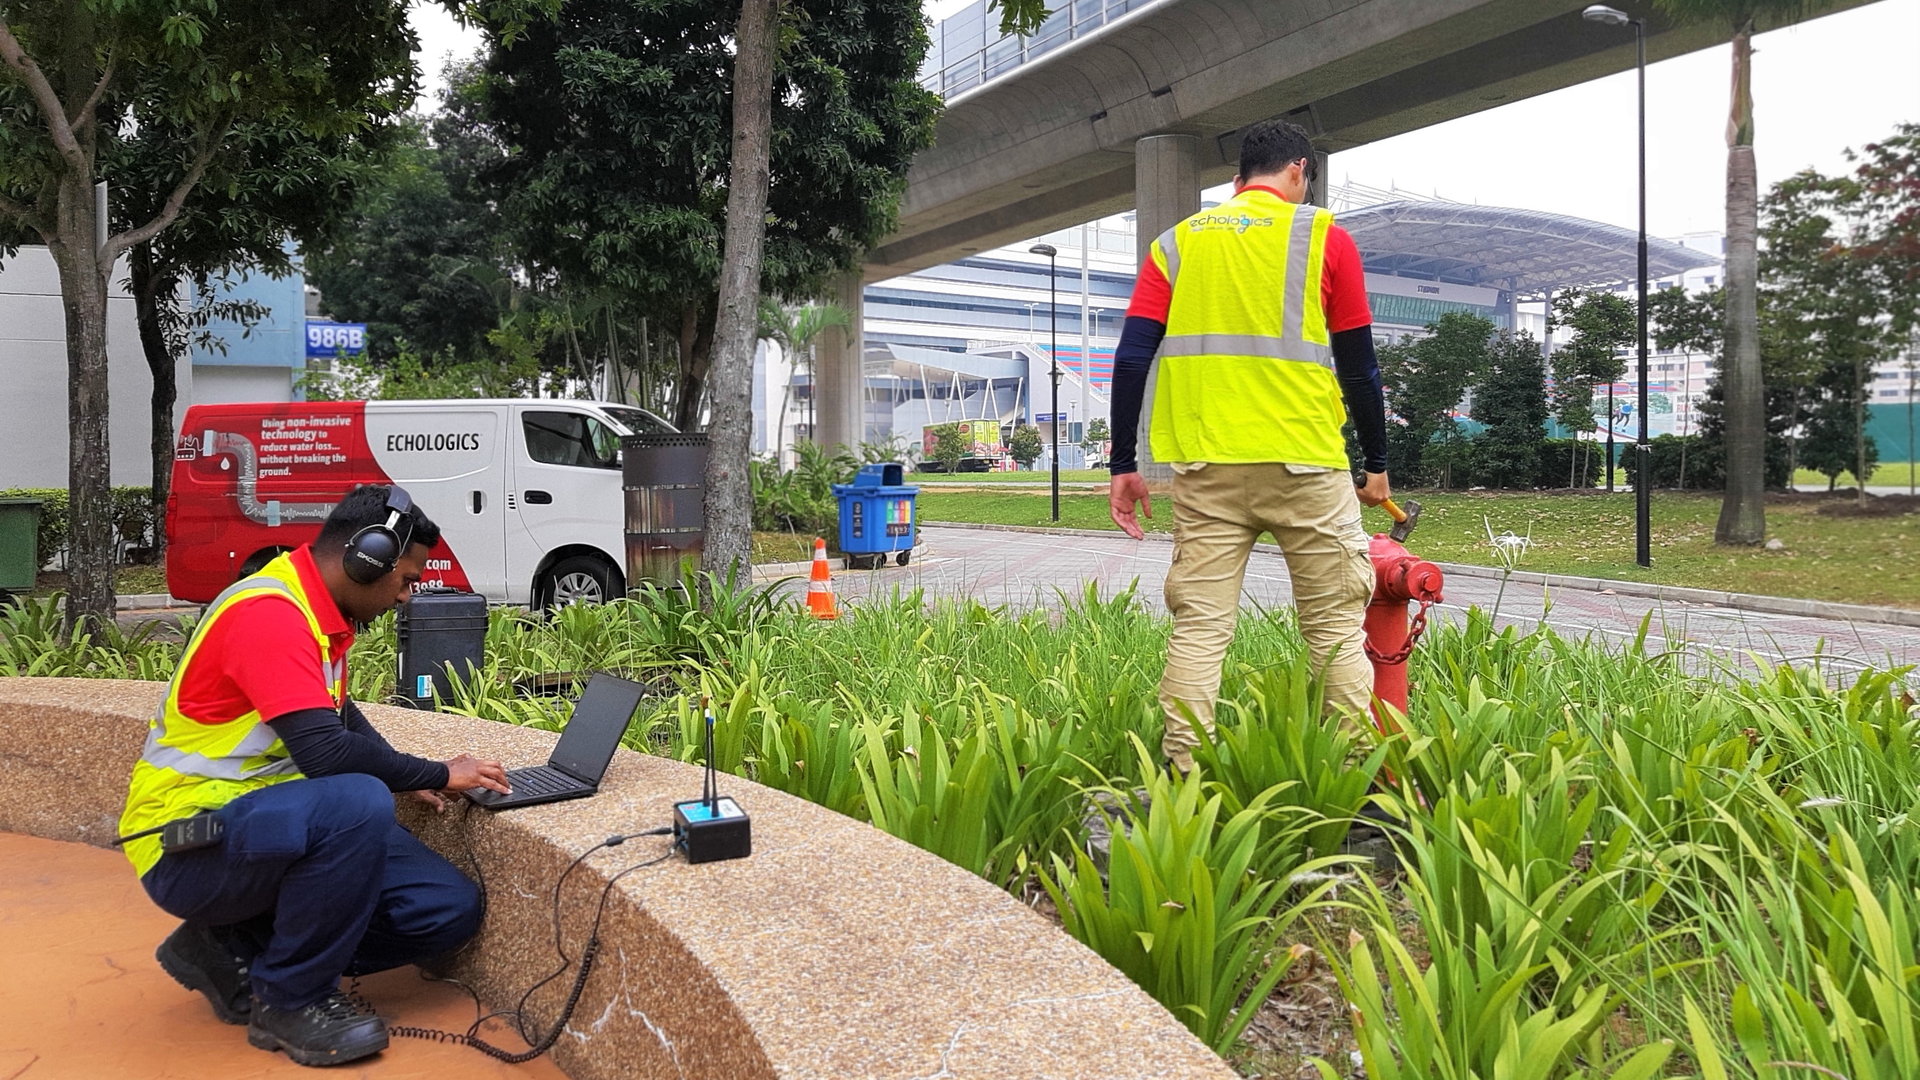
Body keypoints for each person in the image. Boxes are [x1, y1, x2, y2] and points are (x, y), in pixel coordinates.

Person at [118, 485, 512, 1067]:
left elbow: (338, 715)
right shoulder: (268, 614)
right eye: (406, 579)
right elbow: (326, 752)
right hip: (186, 841)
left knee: (445, 909)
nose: (407, 596)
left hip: (272, 826)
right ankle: (291, 998)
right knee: (357, 801)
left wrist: (408, 776)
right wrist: (437, 771)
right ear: (367, 559)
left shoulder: (321, 614)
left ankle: (234, 945)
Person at [1107, 119, 1392, 775]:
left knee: (1200, 627)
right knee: (1333, 628)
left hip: (1205, 464)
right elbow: (1360, 369)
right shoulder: (1325, 237)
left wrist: (1124, 463)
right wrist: (1375, 464)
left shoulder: (1176, 244)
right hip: (1305, 462)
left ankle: (1182, 780)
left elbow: (1130, 359)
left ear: (1238, 181)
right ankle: (1353, 782)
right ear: (1297, 171)